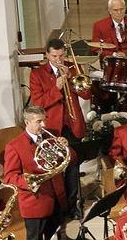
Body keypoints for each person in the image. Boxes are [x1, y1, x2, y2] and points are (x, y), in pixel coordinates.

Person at [29, 38, 91, 219]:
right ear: (47, 54)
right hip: (51, 128)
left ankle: (73, 207)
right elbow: (38, 103)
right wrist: (56, 88)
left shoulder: (72, 68)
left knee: (73, 165)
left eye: (61, 55)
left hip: (72, 124)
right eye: (54, 56)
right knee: (55, 168)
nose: (58, 59)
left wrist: (72, 79)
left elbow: (86, 94)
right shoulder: (37, 74)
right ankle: (58, 208)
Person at [3, 106, 70, 240]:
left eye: (44, 119)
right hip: (34, 203)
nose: (44, 125)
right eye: (39, 121)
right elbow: (10, 176)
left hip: (55, 199)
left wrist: (66, 146)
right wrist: (31, 182)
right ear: (27, 122)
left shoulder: (52, 138)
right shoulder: (14, 146)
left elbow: (70, 159)